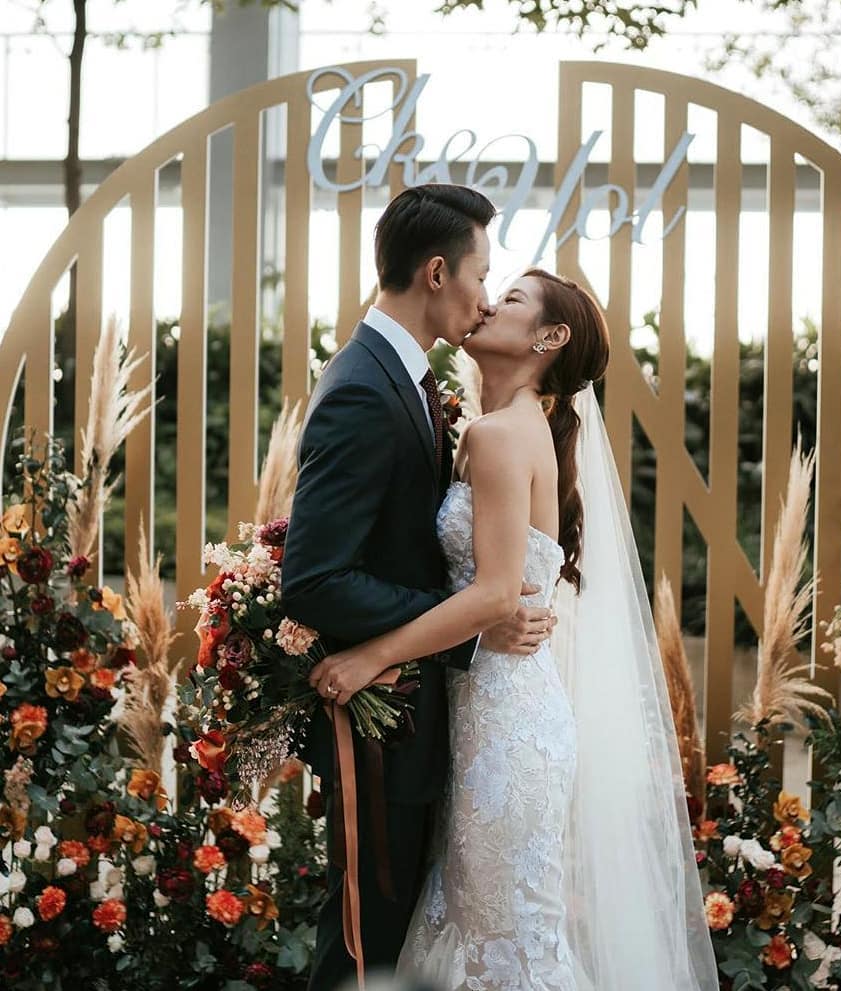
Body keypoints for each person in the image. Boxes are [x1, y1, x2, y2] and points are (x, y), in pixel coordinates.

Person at [314, 270, 720, 990]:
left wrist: (366, 655)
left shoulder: (500, 434)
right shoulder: (494, 430)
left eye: (510, 300)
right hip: (487, 716)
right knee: (481, 936)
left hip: (505, 738)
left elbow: (496, 594)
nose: (487, 302)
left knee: (506, 950)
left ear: (548, 337)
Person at [281, 185, 557, 991]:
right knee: (368, 949)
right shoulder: (366, 387)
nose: (485, 293)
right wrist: (470, 626)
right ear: (436, 272)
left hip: (433, 717)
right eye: (482, 272)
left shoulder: (410, 380)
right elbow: (316, 577)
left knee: (396, 942)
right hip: (384, 728)